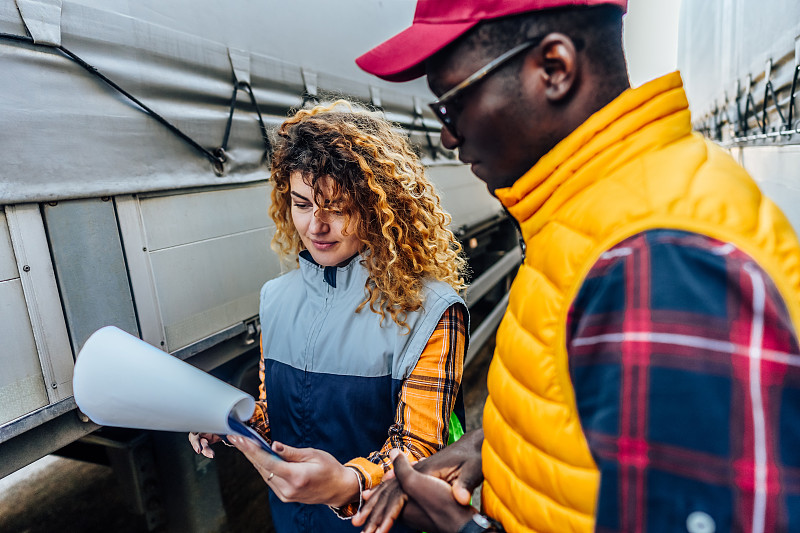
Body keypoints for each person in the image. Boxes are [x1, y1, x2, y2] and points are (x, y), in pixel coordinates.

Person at [352, 1, 800, 532]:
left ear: (555, 68)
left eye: (452, 103)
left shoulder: (657, 264)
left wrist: (463, 530)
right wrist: (495, 447)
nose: (448, 136)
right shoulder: (603, 214)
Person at [189, 101, 469, 533]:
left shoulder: (431, 310)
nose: (316, 225)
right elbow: (277, 414)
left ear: (379, 206)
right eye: (302, 204)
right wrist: (230, 419)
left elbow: (420, 452)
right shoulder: (276, 299)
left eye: (337, 208)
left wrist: (347, 483)